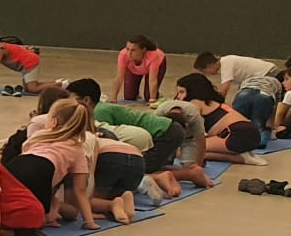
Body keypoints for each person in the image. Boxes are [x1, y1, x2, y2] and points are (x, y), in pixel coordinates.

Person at [67, 77, 207, 197]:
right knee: (150, 164)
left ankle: (183, 175)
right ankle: (183, 173)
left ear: (86, 100)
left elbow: (109, 139)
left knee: (137, 171)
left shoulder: (98, 113)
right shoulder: (102, 107)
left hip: (164, 133)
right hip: (165, 130)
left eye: (70, 100)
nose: (68, 105)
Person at [9, 98, 98, 229]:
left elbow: (25, 152)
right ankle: (50, 211)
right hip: (41, 170)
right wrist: (89, 221)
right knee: (35, 222)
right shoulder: (77, 148)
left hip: (15, 165)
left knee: (7, 202)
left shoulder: (40, 134)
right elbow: (80, 190)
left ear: (54, 122)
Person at [176, 73, 268, 166]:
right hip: (251, 134)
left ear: (192, 91)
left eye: (182, 92)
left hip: (236, 134)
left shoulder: (195, 103)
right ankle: (239, 153)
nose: (179, 96)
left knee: (184, 152)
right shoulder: (211, 101)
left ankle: (240, 158)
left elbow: (193, 130)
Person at [195, 51, 281, 139]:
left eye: (204, 71)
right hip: (256, 78)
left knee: (260, 100)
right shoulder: (225, 63)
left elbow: (225, 87)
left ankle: (265, 128)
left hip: (267, 72)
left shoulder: (225, 64)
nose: (206, 74)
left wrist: (217, 105)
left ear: (210, 65)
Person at [0, 29, 56, 96]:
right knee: (28, 88)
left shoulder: (0, 49)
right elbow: (17, 48)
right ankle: (57, 83)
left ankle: (61, 84)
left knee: (33, 89)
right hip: (26, 64)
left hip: (29, 63)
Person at [110, 35, 168, 104]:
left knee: (148, 96)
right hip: (133, 69)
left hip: (157, 65)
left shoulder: (154, 56)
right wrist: (114, 98)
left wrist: (152, 99)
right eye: (127, 49)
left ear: (143, 50)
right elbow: (119, 78)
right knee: (129, 96)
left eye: (133, 50)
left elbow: (153, 80)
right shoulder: (123, 55)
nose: (129, 53)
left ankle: (157, 94)